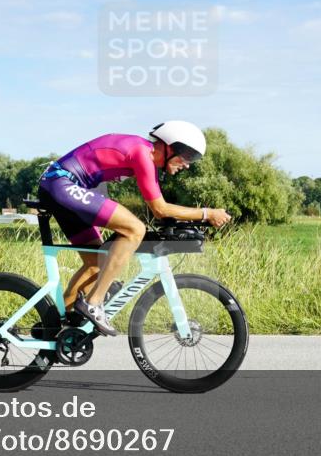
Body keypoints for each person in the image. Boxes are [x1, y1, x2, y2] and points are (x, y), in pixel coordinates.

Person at [37, 121, 231, 336]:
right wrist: (207, 213)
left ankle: (54, 326)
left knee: (96, 264)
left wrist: (189, 220)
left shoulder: (146, 160)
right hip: (62, 183)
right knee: (134, 229)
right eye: (186, 156)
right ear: (168, 147)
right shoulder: (142, 154)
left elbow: (161, 208)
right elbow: (160, 209)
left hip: (62, 185)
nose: (187, 164)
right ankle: (94, 302)